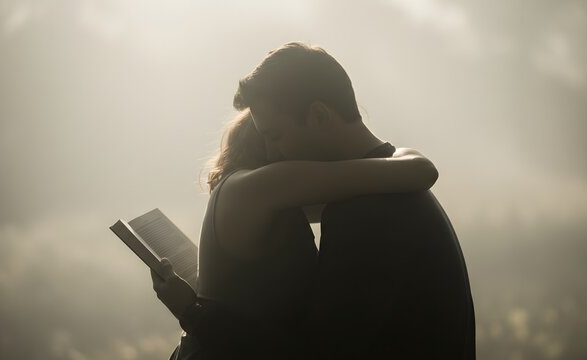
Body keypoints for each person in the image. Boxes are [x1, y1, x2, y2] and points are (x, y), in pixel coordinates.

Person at [156, 41, 476, 359]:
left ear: (320, 116)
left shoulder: (364, 213)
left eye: (276, 136)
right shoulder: (391, 190)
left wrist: (194, 314)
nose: (271, 155)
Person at [152, 109, 440, 359]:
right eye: (276, 136)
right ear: (267, 143)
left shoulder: (260, 195)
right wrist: (403, 154)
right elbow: (420, 171)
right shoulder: (261, 186)